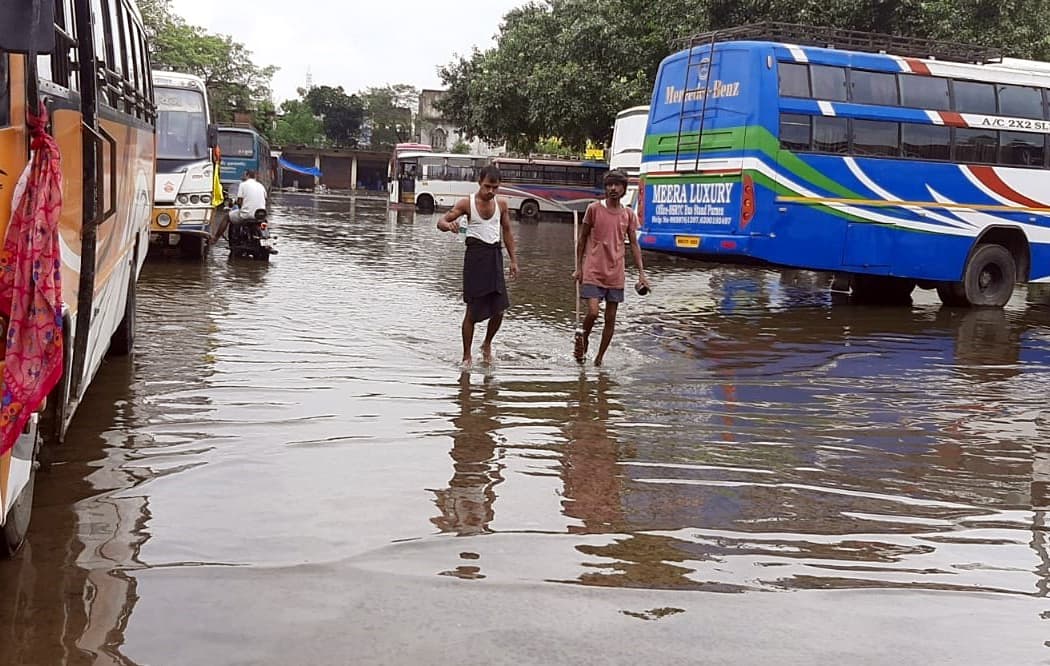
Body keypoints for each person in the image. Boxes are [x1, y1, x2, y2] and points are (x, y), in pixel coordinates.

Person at [437, 165, 519, 366]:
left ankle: (487, 343)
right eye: (487, 186)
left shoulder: (502, 204)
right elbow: (441, 221)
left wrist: (513, 260)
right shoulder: (467, 203)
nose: (490, 191)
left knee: (500, 309)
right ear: (479, 183)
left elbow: (507, 232)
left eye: (495, 187)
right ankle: (467, 355)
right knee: (472, 312)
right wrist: (449, 226)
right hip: (475, 259)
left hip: (495, 257)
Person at [572, 169, 650, 366]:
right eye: (609, 185)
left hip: (616, 273)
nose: (613, 188)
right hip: (593, 269)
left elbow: (634, 244)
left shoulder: (628, 214)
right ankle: (584, 338)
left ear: (624, 188)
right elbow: (582, 239)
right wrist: (579, 267)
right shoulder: (594, 209)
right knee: (593, 312)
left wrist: (641, 273)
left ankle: (599, 359)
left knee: (611, 317)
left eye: (617, 185)